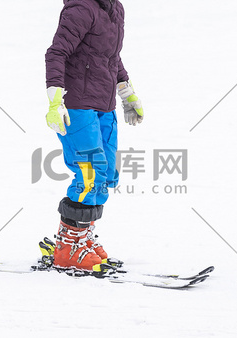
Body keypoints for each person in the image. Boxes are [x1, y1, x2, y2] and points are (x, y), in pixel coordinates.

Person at [43, 0, 143, 271]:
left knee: (107, 173)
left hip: (104, 104)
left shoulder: (114, 9)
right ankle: (68, 247)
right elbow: (56, 53)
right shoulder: (82, 8)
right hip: (76, 103)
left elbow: (111, 57)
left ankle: (80, 236)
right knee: (90, 173)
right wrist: (55, 101)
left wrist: (127, 93)